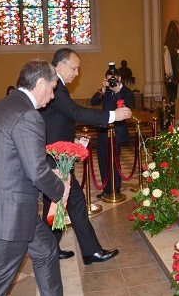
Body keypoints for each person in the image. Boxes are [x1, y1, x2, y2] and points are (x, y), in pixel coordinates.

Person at [0, 59, 70, 295]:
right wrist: (61, 189)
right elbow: (36, 171)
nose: (52, 96)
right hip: (7, 215)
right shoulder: (27, 115)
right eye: (52, 88)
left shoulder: (4, 105)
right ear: (40, 83)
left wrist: (44, 170)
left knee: (47, 250)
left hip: (9, 205)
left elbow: (11, 156)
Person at [40, 48, 132, 265]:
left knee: (59, 202)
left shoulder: (57, 85)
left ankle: (54, 248)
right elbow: (75, 112)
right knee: (70, 201)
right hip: (55, 157)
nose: (76, 73)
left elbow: (60, 120)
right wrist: (112, 115)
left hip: (59, 153)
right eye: (73, 68)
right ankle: (88, 251)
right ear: (60, 64)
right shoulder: (55, 86)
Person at [91, 68, 134, 198]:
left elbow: (125, 107)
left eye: (113, 79)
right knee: (103, 160)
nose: (111, 82)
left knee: (114, 160)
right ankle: (106, 189)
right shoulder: (106, 91)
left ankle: (116, 189)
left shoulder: (127, 92)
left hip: (117, 132)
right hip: (104, 130)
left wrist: (117, 92)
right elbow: (93, 102)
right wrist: (103, 89)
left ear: (119, 79)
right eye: (109, 80)